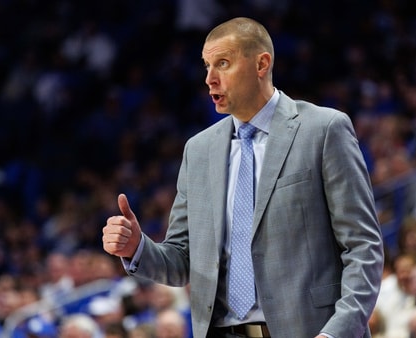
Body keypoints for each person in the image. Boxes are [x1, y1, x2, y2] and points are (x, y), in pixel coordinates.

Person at [102, 17, 384, 338]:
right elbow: (183, 261)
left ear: (261, 63)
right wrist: (137, 247)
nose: (210, 79)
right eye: (206, 66)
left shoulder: (323, 129)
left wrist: (338, 331)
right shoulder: (198, 150)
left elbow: (363, 247)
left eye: (223, 63)